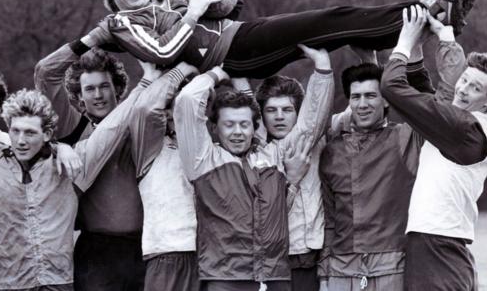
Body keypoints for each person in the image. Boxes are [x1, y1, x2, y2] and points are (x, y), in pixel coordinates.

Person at [68, 0, 475, 79]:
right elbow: (161, 52)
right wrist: (192, 13)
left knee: (338, 27)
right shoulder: (121, 24)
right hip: (234, 57)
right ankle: (430, 9)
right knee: (332, 21)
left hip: (241, 34)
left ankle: (433, 14)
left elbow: (218, 18)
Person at [317, 5, 467, 291]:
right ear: (348, 101)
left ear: (387, 100)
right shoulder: (331, 148)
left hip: (391, 269)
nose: (363, 104)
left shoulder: (405, 138)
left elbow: (446, 104)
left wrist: (444, 37)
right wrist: (324, 271)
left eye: (371, 96)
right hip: (338, 272)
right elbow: (328, 218)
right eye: (356, 97)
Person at [173, 45, 333, 291]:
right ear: (215, 128)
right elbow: (186, 101)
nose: (238, 132)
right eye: (229, 125)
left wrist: (322, 66)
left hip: (275, 276)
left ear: (254, 128)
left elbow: (310, 124)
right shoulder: (203, 159)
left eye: (244, 125)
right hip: (225, 278)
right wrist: (217, 73)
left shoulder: (273, 155)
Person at [381, 5, 487, 291]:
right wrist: (444, 34)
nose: (462, 89)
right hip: (443, 246)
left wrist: (406, 41)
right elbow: (435, 95)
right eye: (464, 80)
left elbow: (392, 87)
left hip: (437, 245)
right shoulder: (474, 122)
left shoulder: (462, 127)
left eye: (475, 88)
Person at [35, 48, 145, 291]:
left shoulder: (138, 120)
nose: (98, 95)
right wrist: (95, 38)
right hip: (97, 252)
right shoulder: (73, 126)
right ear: (79, 96)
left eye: (104, 86)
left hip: (144, 247)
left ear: (117, 87)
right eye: (89, 89)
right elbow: (45, 72)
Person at [0, 89, 87, 291]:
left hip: (57, 282)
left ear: (47, 134)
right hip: (6, 283)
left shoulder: (66, 168)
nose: (21, 140)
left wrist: (62, 147)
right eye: (15, 131)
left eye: (30, 132)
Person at [128, 62, 200, 291]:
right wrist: (182, 70)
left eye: (182, 105)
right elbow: (146, 109)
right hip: (165, 255)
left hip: (207, 256)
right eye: (169, 106)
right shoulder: (150, 148)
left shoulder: (207, 145)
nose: (173, 113)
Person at [254, 75, 323, 291]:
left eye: (287, 110)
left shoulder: (319, 141)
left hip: (314, 258)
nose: (279, 117)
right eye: (271, 110)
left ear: (298, 114)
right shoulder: (254, 154)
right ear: (262, 115)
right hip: (273, 261)